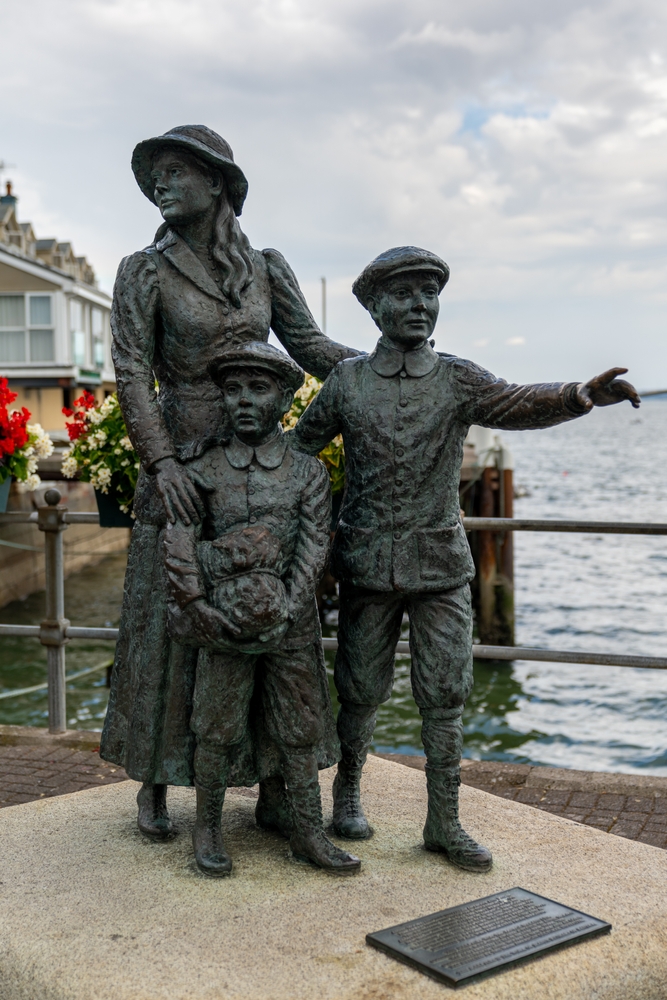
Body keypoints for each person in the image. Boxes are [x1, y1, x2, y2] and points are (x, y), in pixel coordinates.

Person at [291, 245, 640, 873]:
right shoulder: (347, 383)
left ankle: (444, 821)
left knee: (445, 694)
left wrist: (579, 395)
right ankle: (347, 792)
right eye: (403, 293)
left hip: (441, 567)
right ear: (374, 306)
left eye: (429, 292)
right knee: (359, 690)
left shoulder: (456, 378)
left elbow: (515, 402)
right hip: (366, 563)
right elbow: (299, 453)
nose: (419, 305)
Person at [100, 125, 358, 840]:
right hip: (181, 464)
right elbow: (132, 373)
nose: (160, 184)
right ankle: (152, 778)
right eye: (154, 174)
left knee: (264, 610)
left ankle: (276, 781)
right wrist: (162, 465)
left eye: (175, 171)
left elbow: (309, 349)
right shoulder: (142, 271)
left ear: (217, 182)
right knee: (164, 622)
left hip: (257, 462)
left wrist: (386, 366)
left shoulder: (265, 268)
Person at [161, 341, 360, 876]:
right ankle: (207, 826)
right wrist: (200, 606)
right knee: (216, 726)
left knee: (301, 724)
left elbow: (315, 546)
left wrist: (288, 609)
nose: (243, 400)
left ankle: (307, 830)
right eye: (233, 390)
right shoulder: (200, 469)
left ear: (286, 397)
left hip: (289, 627)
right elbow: (179, 542)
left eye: (258, 388)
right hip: (220, 625)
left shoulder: (306, 472)